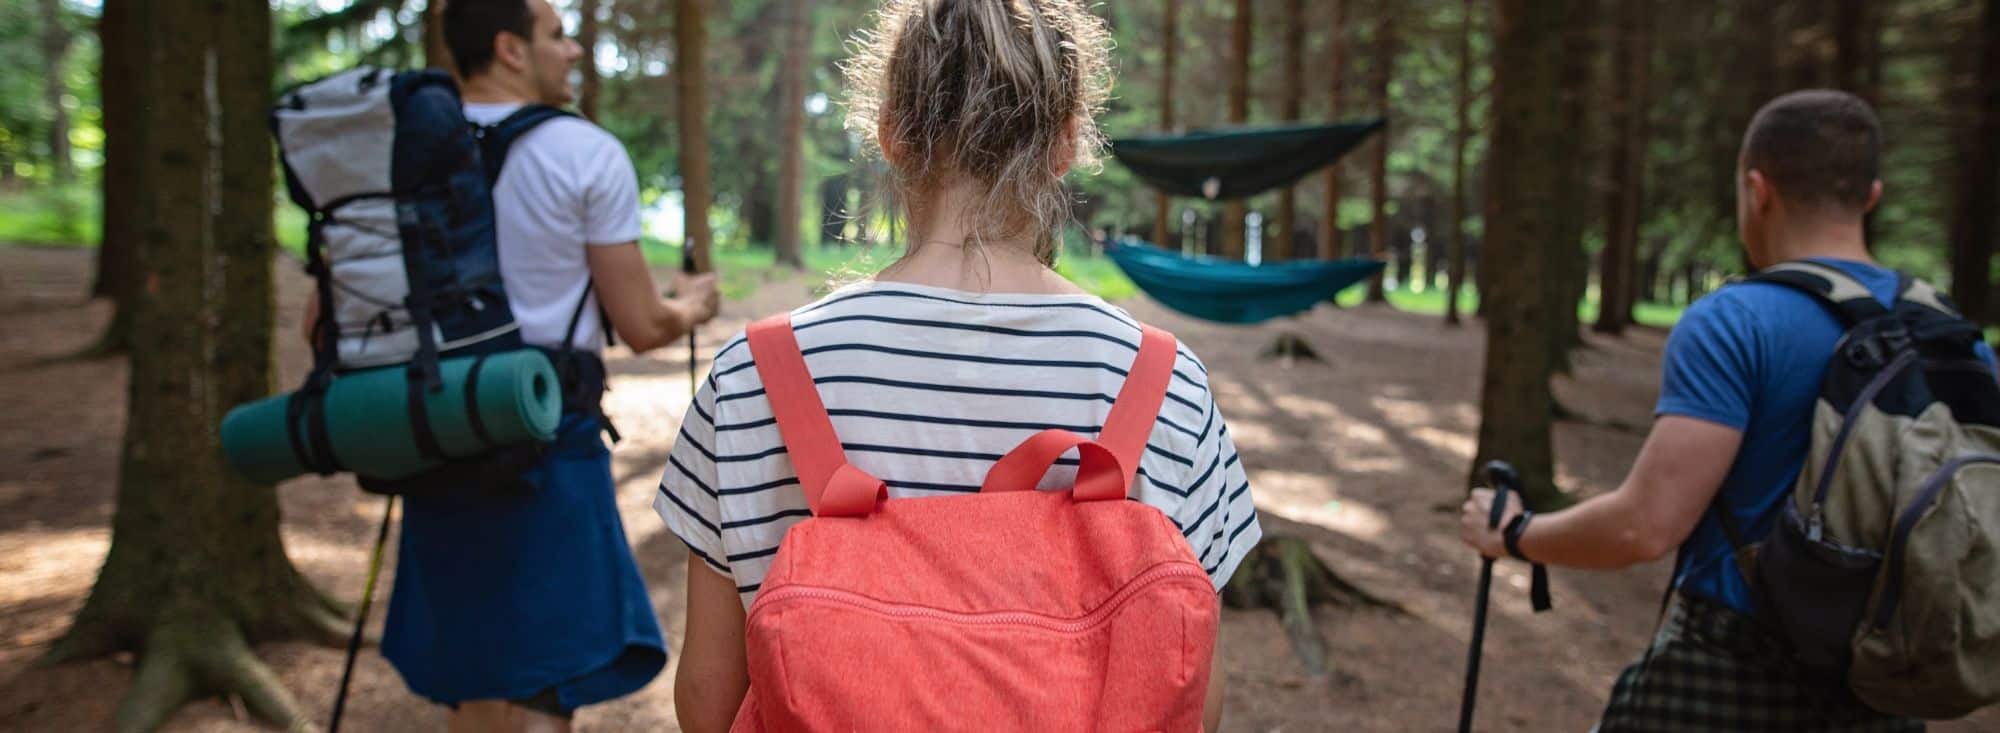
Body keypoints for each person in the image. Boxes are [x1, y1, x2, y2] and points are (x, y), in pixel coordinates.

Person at [653, 1, 1261, 731]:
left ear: (889, 132)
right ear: (1067, 143)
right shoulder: (1167, 385)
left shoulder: (753, 376)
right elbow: (1196, 701)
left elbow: (710, 699)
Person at [1456, 89, 1997, 731]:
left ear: (1757, 190)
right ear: (1871, 196)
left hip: (1727, 677)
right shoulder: (1953, 335)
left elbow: (1643, 528)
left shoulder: (1736, 319)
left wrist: (1515, 533)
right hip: (1882, 688)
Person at [302, 1, 720, 731]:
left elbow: (320, 320)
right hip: (545, 432)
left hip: (433, 426)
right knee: (544, 681)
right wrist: (693, 305)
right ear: (510, 49)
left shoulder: (400, 155)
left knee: (473, 676)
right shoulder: (583, 152)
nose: (575, 50)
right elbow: (642, 325)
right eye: (557, 35)